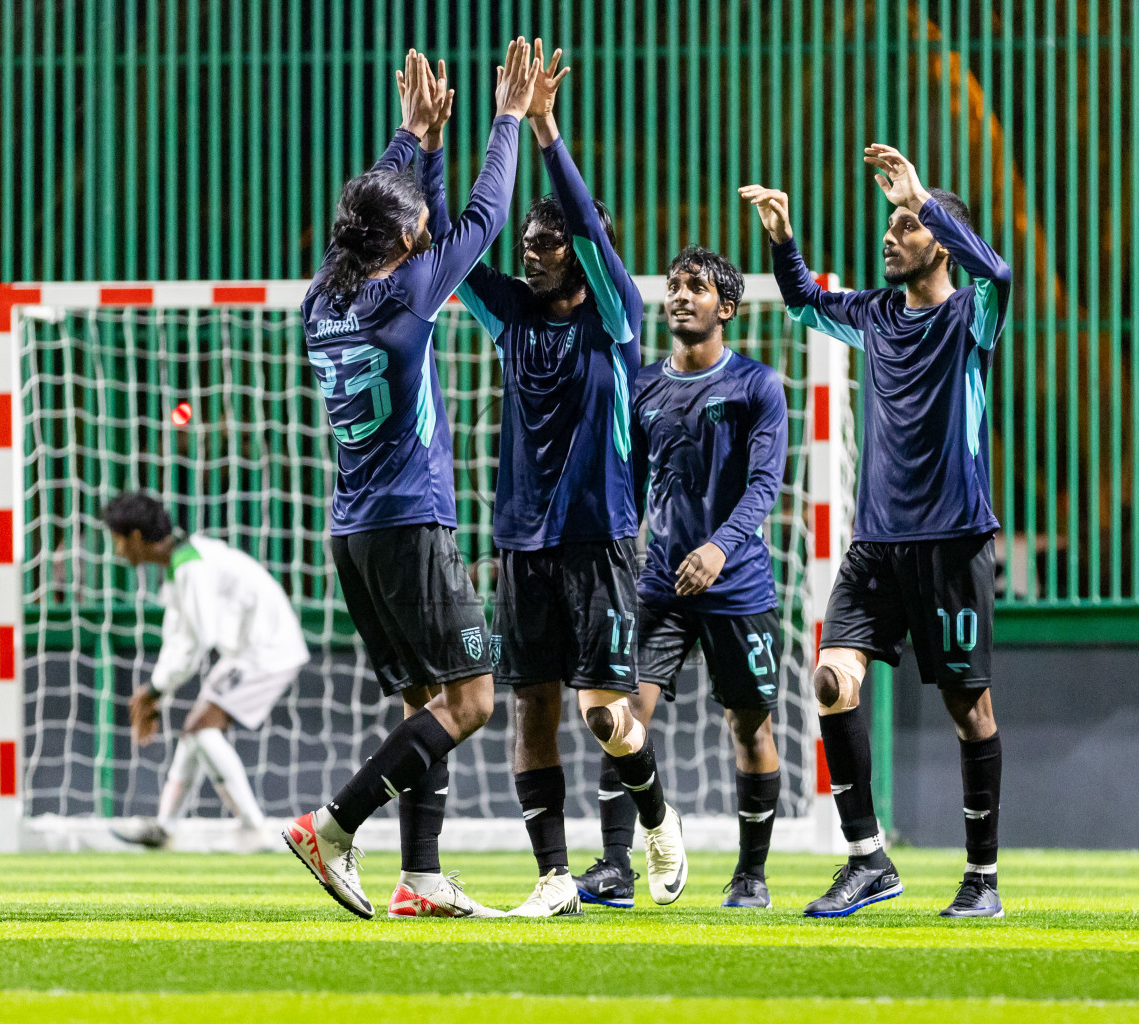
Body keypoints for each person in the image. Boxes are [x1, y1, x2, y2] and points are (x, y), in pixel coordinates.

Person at [427, 38, 685, 917]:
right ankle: (553, 878)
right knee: (531, 712)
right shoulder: (509, 313)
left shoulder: (618, 318)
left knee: (604, 714)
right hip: (519, 543)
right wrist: (429, 150)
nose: (530, 253)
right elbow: (450, 250)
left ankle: (655, 814)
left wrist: (544, 132)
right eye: (527, 242)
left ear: (579, 251)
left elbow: (587, 227)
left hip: (597, 540)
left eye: (546, 243)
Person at [282, 42, 536, 921]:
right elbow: (485, 212)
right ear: (407, 243)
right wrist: (505, 120)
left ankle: (420, 877)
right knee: (471, 700)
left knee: (423, 698)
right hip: (410, 523)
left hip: (353, 530)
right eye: (416, 227)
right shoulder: (410, 295)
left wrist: (413, 136)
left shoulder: (325, 294)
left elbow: (381, 214)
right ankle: (335, 823)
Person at [741, 142, 1012, 919]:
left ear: (941, 239)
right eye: (892, 224)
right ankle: (868, 860)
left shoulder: (971, 318)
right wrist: (783, 238)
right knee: (830, 681)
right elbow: (801, 305)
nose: (890, 235)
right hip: (876, 545)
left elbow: (995, 274)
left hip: (954, 540)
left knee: (970, 710)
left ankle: (982, 880)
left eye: (907, 226)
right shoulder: (874, 314)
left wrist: (922, 196)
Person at [575, 245, 787, 910]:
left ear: (725, 308)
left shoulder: (757, 386)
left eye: (696, 287)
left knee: (750, 728)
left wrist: (721, 547)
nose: (680, 296)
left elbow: (764, 485)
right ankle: (617, 866)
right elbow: (626, 490)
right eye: (674, 286)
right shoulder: (642, 386)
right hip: (659, 585)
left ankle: (751, 874)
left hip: (738, 586)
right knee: (617, 714)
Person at [102, 493, 310, 852]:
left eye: (117, 540)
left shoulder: (191, 567)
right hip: (249, 649)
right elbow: (179, 640)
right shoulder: (181, 564)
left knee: (202, 728)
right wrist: (155, 693)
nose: (117, 550)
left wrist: (153, 691)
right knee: (194, 731)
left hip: (267, 649)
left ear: (135, 538)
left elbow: (197, 642)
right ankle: (164, 828)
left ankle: (255, 830)